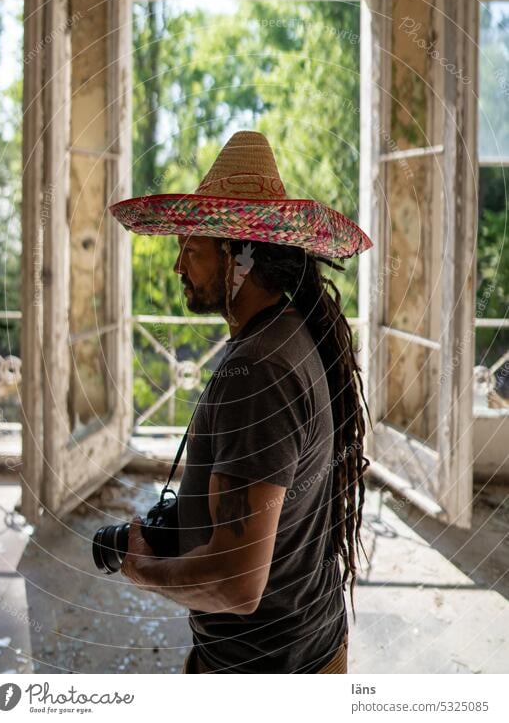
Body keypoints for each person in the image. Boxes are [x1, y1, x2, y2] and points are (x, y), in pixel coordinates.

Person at [110, 130, 372, 673]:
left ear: (241, 256)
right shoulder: (290, 333)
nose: (179, 266)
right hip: (301, 651)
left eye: (193, 249)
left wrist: (144, 571)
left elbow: (235, 586)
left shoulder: (256, 374)